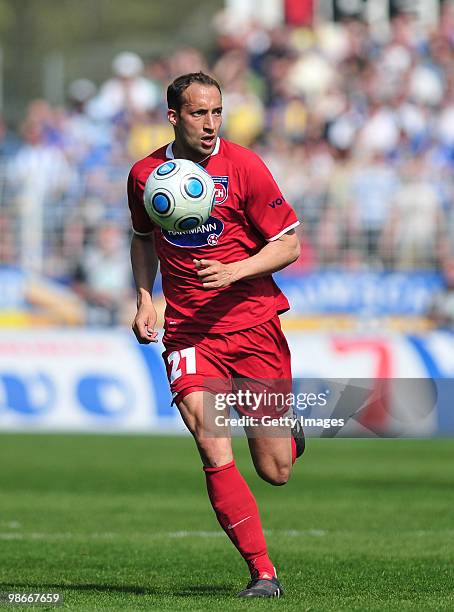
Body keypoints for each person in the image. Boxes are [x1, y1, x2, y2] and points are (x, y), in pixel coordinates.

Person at [127, 72, 305, 598]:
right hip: (188, 331)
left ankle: (287, 435)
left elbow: (289, 245)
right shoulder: (145, 175)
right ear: (174, 117)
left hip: (253, 326)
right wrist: (143, 296)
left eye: (216, 113)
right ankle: (263, 573)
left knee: (276, 470)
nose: (209, 124)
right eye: (198, 113)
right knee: (212, 446)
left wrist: (238, 270)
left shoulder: (244, 166)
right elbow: (141, 238)